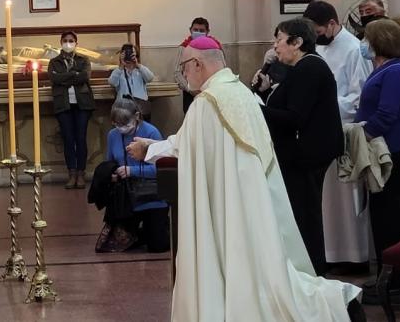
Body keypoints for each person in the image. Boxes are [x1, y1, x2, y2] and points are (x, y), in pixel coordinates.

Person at [127, 35, 362, 321]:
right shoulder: (241, 92)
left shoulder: (209, 102)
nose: (185, 74)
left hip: (228, 200)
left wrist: (149, 148)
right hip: (251, 195)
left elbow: (185, 146)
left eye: (185, 67)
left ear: (197, 64)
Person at [261, 17, 344, 275]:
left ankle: (313, 272)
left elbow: (295, 117)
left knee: (305, 215)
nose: (276, 47)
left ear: (297, 42)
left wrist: (257, 109)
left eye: (279, 40)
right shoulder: (301, 68)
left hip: (307, 155)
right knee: (301, 213)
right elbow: (284, 105)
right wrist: (264, 93)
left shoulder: (309, 69)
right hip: (301, 154)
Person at [302, 1, 372, 270]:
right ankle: (331, 254)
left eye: (319, 30)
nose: (316, 36)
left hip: (346, 130)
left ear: (332, 24)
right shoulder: (318, 47)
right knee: (326, 201)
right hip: (320, 132)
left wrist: (324, 103)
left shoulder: (354, 49)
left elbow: (359, 96)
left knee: (346, 198)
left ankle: (355, 257)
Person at [355, 19, 400, 299]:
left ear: (380, 42)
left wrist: (359, 134)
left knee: (391, 216)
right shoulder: (386, 69)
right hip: (389, 149)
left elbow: (388, 114)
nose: (362, 44)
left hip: (397, 151)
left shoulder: (397, 72)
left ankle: (395, 279)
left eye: (366, 39)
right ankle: (388, 276)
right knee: (384, 215)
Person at [92, 98, 168, 253]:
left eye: (125, 124)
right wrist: (112, 174)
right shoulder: (113, 135)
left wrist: (131, 171)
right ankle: (140, 232)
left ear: (137, 117)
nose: (121, 128)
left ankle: (158, 227)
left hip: (151, 194)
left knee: (157, 246)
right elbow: (110, 163)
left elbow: (161, 168)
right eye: (116, 124)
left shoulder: (151, 132)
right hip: (126, 195)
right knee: (114, 243)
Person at [48, 30, 95, 189]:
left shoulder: (84, 59)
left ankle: (81, 173)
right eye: (65, 40)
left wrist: (66, 77)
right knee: (68, 139)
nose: (68, 43)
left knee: (80, 138)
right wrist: (73, 75)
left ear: (76, 43)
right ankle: (72, 173)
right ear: (61, 42)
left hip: (82, 103)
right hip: (64, 104)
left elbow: (85, 77)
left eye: (71, 40)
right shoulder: (54, 62)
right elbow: (54, 78)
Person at [173, 17, 222, 113]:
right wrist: (190, 89)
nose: (198, 32)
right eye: (195, 30)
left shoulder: (215, 47)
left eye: (202, 30)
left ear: (207, 31)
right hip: (190, 94)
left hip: (210, 92)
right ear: (190, 30)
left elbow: (221, 69)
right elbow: (177, 72)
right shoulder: (184, 48)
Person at [108, 43, 154, 119]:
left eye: (132, 53)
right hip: (123, 108)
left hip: (140, 107)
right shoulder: (119, 71)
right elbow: (112, 83)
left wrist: (138, 65)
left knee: (141, 129)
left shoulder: (140, 70)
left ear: (136, 55)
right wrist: (121, 66)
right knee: (124, 129)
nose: (129, 55)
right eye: (127, 53)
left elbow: (150, 78)